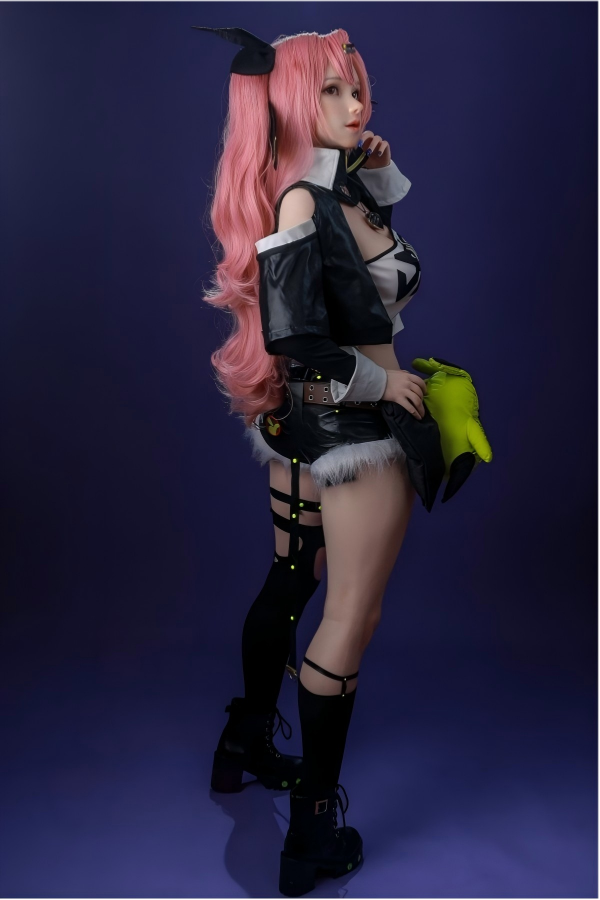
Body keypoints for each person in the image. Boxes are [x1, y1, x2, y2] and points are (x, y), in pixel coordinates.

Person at [198, 26, 428, 896]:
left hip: (302, 429)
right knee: (350, 617)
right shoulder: (304, 199)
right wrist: (384, 382)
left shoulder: (324, 186)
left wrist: (377, 173)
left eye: (355, 85)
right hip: (354, 431)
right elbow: (297, 334)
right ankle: (313, 831)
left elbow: (360, 271)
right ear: (293, 102)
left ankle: (245, 741)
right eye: (330, 90)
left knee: (293, 576)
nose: (354, 102)